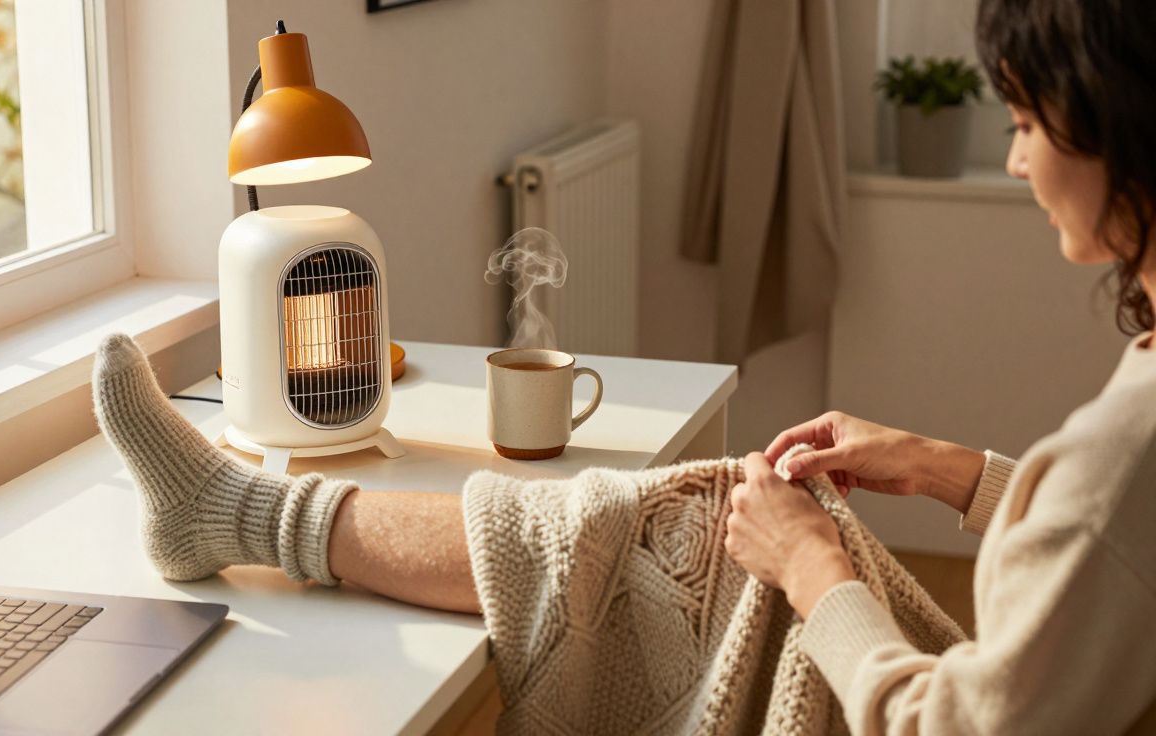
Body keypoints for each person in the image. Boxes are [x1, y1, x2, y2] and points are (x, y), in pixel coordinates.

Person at [90, 0, 1155, 732]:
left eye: (1023, 122)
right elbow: (1117, 548)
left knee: (657, 528)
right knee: (673, 519)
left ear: (1121, 120)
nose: (1016, 158)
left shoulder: (1130, 438)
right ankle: (240, 510)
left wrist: (810, 568)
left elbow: (957, 717)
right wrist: (953, 471)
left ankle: (240, 510)